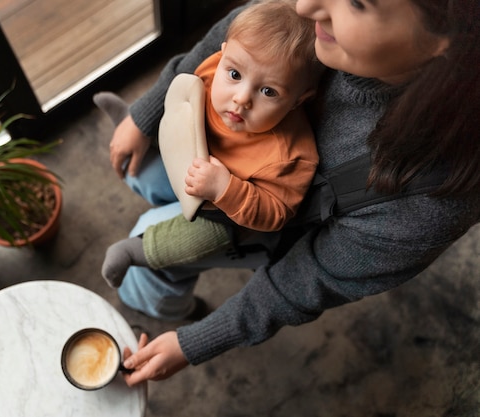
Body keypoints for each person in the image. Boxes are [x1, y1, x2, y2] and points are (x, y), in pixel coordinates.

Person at [104, 0, 480, 386]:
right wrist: (144, 115)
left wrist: (194, 341)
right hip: (212, 151)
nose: (304, 4)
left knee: (151, 241)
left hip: (267, 218)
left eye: (356, 2)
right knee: (147, 173)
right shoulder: (319, 17)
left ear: (445, 40)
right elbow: (229, 39)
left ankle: (166, 305)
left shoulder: (431, 198)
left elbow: (307, 279)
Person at [98, 1, 322, 289]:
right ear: (223, 52)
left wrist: (225, 189)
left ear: (298, 100)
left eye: (268, 91)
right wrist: (145, 122)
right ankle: (131, 127)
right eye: (235, 74)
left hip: (226, 216)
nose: (241, 98)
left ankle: (135, 251)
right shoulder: (214, 68)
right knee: (145, 167)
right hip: (190, 154)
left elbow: (275, 213)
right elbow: (180, 94)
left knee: (194, 240)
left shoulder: (290, 156)